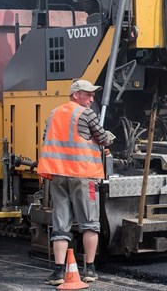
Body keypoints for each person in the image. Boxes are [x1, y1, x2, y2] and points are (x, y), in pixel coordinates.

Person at [38, 79, 115, 285]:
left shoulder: (54, 113)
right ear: (75, 95)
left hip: (58, 176)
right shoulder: (86, 114)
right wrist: (109, 136)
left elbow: (47, 139)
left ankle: (58, 272)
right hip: (82, 175)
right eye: (87, 94)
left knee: (60, 223)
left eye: (92, 95)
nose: (91, 99)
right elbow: (103, 138)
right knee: (89, 222)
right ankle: (89, 270)